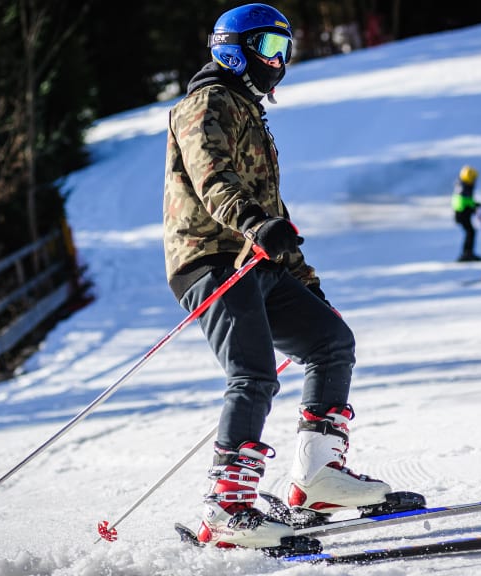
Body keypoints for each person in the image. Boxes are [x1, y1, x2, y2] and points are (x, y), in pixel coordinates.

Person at [162, 3, 393, 550]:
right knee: (254, 375)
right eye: (268, 48)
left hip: (255, 261)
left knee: (331, 341)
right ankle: (227, 508)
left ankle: (316, 481)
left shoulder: (247, 110)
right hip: (210, 260)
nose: (278, 62)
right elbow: (212, 178)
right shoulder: (204, 105)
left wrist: (304, 280)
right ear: (232, 50)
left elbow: (272, 212)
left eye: (285, 51)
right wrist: (256, 223)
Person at [452, 165, 481, 262]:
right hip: (462, 212)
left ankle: (468, 252)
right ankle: (467, 253)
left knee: (470, 232)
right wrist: (474, 206)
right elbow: (465, 200)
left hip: (462, 212)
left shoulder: (461, 184)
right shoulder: (464, 186)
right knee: (470, 232)